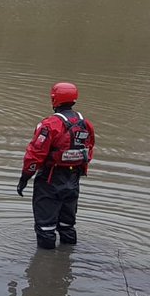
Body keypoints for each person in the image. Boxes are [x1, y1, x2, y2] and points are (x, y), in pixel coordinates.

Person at [18, 82, 96, 249]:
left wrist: (24, 179)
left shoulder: (50, 125)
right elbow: (88, 151)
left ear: (54, 99)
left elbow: (35, 155)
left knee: (46, 228)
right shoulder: (86, 124)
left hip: (50, 179)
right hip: (73, 180)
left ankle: (45, 268)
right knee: (67, 226)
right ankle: (66, 265)